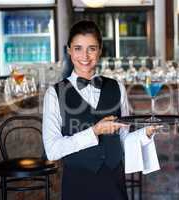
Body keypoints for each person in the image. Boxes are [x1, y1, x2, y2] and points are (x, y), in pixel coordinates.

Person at [42, 20, 160, 200]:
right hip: (77, 185)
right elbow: (52, 150)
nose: (85, 56)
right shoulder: (54, 94)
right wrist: (94, 131)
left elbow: (123, 140)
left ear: (100, 50)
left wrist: (146, 134)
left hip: (113, 183)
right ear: (69, 50)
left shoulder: (117, 87)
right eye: (78, 48)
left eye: (92, 48)